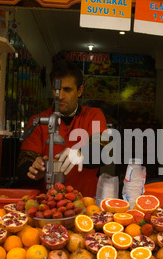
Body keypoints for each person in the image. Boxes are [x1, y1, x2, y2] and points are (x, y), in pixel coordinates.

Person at [17, 58, 108, 197]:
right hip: (48, 205)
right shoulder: (38, 121)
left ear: (80, 90)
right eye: (56, 90)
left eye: (67, 90)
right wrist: (35, 171)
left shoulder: (93, 115)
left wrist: (78, 154)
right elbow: (24, 167)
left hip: (85, 202)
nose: (60, 96)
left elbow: (104, 151)